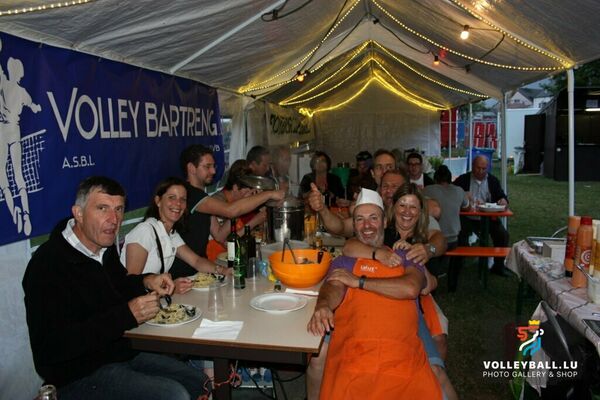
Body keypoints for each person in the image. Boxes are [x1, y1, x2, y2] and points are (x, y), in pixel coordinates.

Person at [22, 176, 208, 400]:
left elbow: (119, 285)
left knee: (198, 381)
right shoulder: (47, 265)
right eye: (102, 208)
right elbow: (49, 350)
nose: (114, 219)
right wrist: (127, 315)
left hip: (119, 354)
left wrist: (146, 280)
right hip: (77, 375)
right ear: (78, 213)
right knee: (174, 395)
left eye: (119, 209)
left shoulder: (103, 249)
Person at [307, 188, 442, 399]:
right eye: (360, 220)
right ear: (354, 225)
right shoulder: (346, 258)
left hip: (401, 353)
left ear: (385, 222)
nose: (367, 225)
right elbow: (333, 286)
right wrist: (323, 305)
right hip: (355, 353)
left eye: (373, 218)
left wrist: (359, 281)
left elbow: (410, 287)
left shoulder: (405, 252)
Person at [170, 145, 285, 279]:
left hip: (199, 271)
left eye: (213, 166)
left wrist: (243, 202)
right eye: (207, 166)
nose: (213, 171)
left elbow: (219, 235)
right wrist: (269, 194)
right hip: (183, 274)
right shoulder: (189, 194)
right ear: (191, 168)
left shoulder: (202, 197)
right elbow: (230, 211)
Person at [121, 177, 230, 294]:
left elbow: (196, 261)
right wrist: (171, 289)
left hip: (154, 299)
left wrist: (224, 270)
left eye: (183, 199)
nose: (178, 203)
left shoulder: (170, 234)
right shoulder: (144, 232)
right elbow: (132, 287)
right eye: (172, 197)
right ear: (158, 201)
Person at [0, 45, 42, 236]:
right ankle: (25, 214)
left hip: (2, 131)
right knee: (18, 173)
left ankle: (13, 211)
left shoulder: (5, 85)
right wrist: (37, 107)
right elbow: (34, 106)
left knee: (2, 173)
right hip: (15, 132)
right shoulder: (23, 92)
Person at [453, 155, 510, 276]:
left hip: (488, 218)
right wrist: (462, 196)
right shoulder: (463, 179)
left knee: (502, 235)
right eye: (478, 168)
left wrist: (503, 201)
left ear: (487, 168)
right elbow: (451, 193)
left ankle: (498, 265)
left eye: (484, 169)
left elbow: (501, 196)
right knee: (459, 234)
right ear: (472, 166)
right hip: (467, 217)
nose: (480, 171)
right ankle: (458, 263)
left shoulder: (493, 181)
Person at [206, 160, 266, 260]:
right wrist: (254, 221)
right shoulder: (217, 203)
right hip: (216, 260)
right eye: (249, 190)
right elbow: (226, 242)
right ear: (235, 187)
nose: (251, 194)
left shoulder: (236, 202)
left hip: (232, 257)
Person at [423, 165, 470, 280]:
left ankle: (433, 275)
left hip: (433, 239)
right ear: (450, 178)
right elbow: (467, 207)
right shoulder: (459, 190)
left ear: (435, 178)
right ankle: (451, 280)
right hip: (453, 240)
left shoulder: (427, 189)